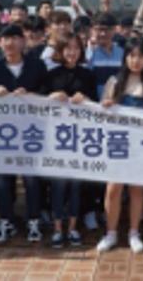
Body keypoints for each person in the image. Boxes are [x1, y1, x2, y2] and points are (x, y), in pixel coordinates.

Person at [96, 38, 143, 254]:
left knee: (136, 188)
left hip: (142, 144)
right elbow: (101, 113)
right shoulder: (114, 82)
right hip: (117, 142)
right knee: (113, 188)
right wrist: (107, 105)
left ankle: (134, 232)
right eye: (132, 56)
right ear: (125, 58)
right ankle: (111, 233)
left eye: (141, 56)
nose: (136, 61)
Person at [0, 24, 48, 243]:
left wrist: (32, 94)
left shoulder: (37, 65)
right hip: (4, 135)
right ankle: (6, 220)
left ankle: (34, 221)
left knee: (32, 179)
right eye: (6, 39)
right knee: (3, 180)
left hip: (32, 132)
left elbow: (47, 93)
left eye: (15, 38)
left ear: (23, 41)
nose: (11, 43)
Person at [42, 35, 97, 247]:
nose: (72, 52)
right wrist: (51, 97)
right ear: (60, 51)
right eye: (67, 48)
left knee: (75, 184)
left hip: (80, 136)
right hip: (56, 136)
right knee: (58, 183)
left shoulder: (88, 75)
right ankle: (57, 229)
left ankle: (73, 228)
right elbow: (37, 102)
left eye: (76, 48)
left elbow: (96, 105)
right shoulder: (51, 75)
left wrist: (86, 100)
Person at [88, 12, 124, 99]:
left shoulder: (122, 53)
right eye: (99, 29)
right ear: (92, 30)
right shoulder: (87, 54)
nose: (103, 33)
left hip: (117, 103)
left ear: (114, 30)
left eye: (107, 30)